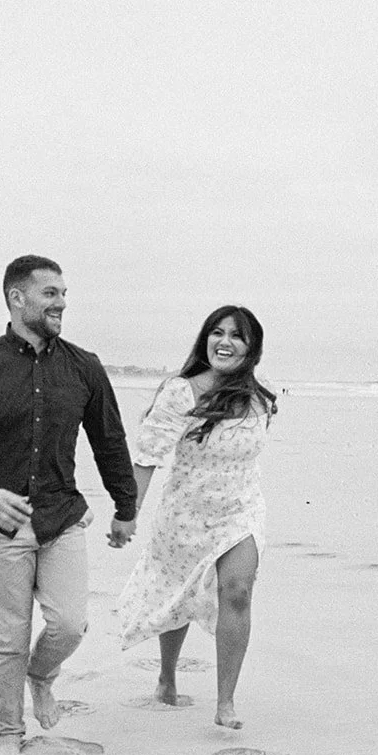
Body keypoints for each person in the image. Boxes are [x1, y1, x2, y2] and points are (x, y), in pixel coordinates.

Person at [0, 255, 137, 749]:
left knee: (68, 625)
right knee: (10, 636)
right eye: (50, 293)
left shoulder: (85, 367)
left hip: (63, 519)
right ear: (17, 299)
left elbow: (109, 441)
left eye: (63, 294)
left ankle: (41, 676)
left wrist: (126, 509)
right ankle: (5, 733)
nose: (61, 303)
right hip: (0, 529)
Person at [117, 305, 276, 729]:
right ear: (205, 340)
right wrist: (127, 513)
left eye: (237, 336)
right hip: (185, 513)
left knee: (238, 591)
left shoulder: (262, 400)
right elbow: (149, 455)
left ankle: (226, 703)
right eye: (217, 333)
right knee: (177, 595)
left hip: (240, 511)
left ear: (251, 347)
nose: (225, 342)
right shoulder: (180, 393)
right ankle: (167, 679)